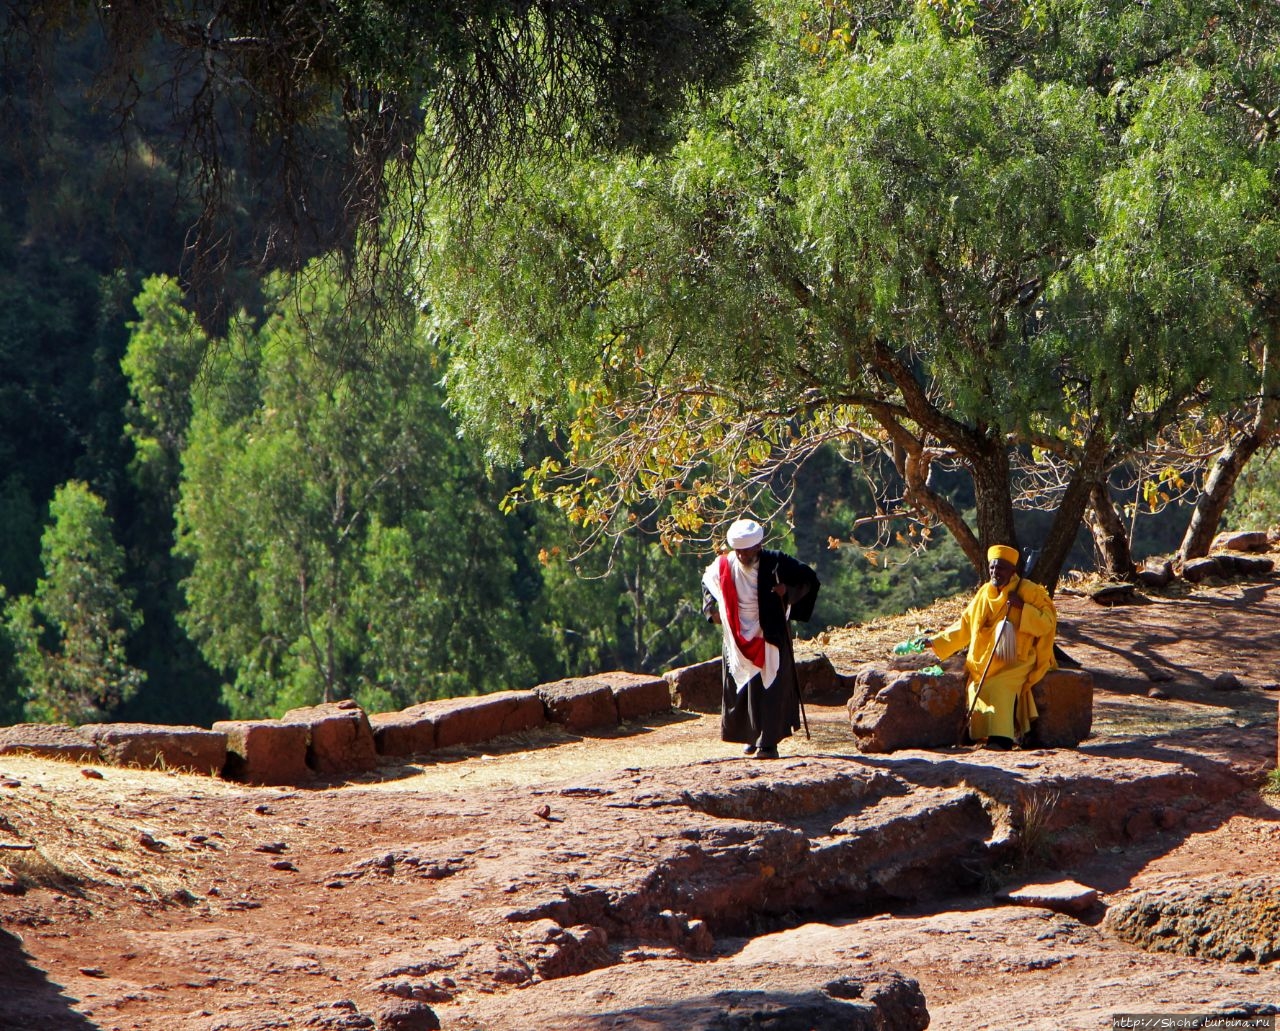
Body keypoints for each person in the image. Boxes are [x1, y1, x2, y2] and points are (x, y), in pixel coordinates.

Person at [701, 518, 820, 759]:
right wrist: (710, 610)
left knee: (770, 688)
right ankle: (749, 736)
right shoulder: (723, 565)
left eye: (747, 551)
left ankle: (768, 743)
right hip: (736, 637)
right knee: (744, 687)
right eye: (738, 551)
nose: (743, 556)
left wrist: (788, 592)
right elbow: (708, 584)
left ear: (758, 546)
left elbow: (809, 579)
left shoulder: (776, 561)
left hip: (770, 634)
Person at [926, 544, 1056, 751]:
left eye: (1002, 568)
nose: (996, 572)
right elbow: (965, 624)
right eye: (993, 567)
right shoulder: (984, 593)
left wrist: (1023, 608)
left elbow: (1047, 623)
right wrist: (936, 641)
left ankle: (1002, 739)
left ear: (1013, 571)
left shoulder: (1029, 591)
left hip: (1016, 660)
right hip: (986, 659)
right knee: (975, 687)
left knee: (1000, 687)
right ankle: (979, 734)